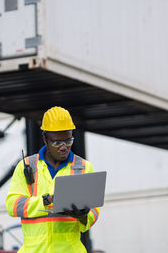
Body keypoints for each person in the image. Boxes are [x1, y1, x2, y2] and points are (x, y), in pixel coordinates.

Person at [6, 106, 100, 253]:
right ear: (45, 139)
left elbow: (94, 212)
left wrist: (83, 216)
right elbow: (13, 205)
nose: (64, 147)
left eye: (68, 141)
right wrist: (46, 200)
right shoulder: (27, 166)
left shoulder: (83, 167)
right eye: (57, 142)